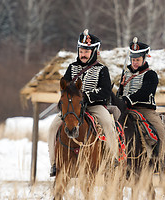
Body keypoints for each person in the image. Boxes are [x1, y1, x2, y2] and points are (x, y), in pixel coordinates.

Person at [48, 29, 118, 177]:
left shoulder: (102, 70)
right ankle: (54, 163)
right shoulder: (72, 68)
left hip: (94, 106)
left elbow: (105, 91)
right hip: (73, 108)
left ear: (94, 52)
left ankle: (113, 159)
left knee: (107, 123)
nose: (83, 54)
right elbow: (65, 88)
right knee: (53, 127)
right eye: (81, 51)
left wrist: (85, 96)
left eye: (87, 51)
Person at [118, 38, 165, 165]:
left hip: (145, 110)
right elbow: (121, 93)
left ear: (144, 59)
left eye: (137, 60)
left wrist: (128, 100)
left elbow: (146, 92)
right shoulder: (126, 74)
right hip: (126, 110)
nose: (135, 62)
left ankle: (160, 161)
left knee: (160, 131)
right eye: (133, 60)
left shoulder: (151, 75)